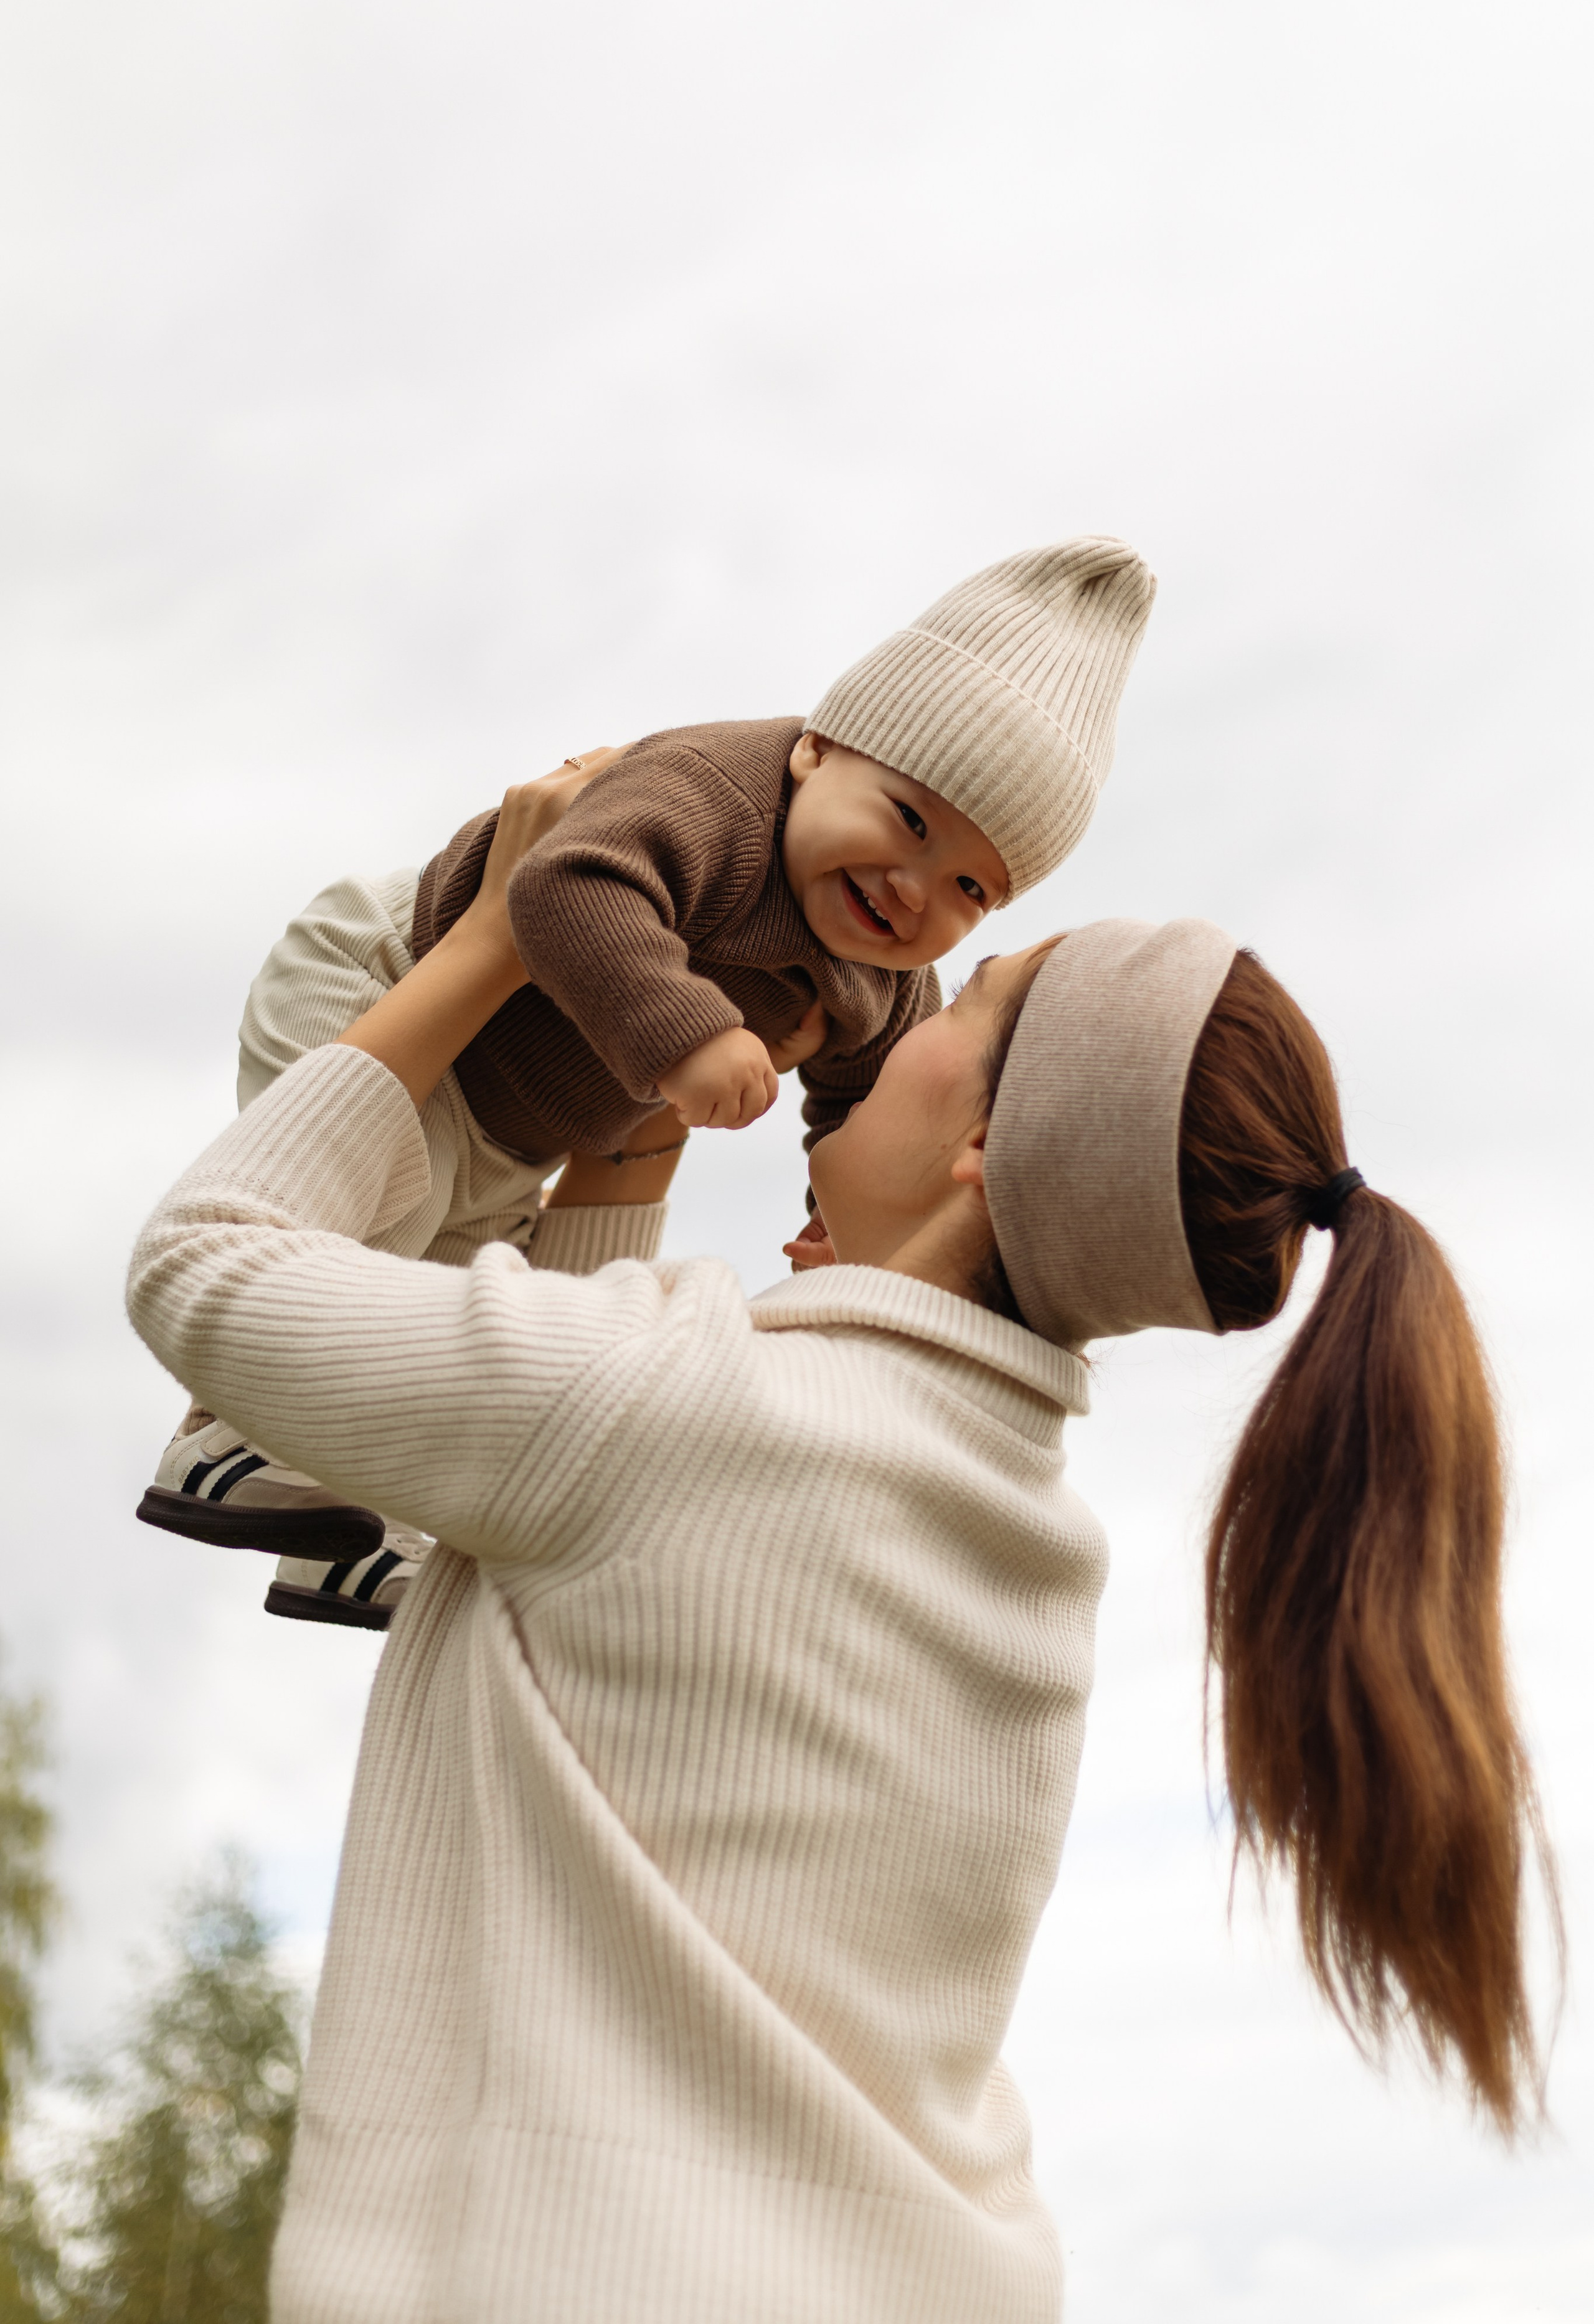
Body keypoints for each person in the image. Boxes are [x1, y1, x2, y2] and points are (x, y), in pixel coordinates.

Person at [125, 796, 1550, 2324]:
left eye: (975, 996)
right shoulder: (1019, 1545)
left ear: (986, 1141)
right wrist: (629, 1129)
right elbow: (566, 1544)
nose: (901, 1011)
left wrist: (488, 943)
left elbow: (207, 1258)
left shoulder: (672, 1409)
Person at [134, 536, 1156, 1627]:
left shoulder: (882, 984)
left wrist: (855, 1249)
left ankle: (343, 1530)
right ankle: (234, 1434)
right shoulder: (716, 794)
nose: (913, 891)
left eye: (968, 886)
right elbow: (570, 882)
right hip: (385, 980)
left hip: (515, 1133)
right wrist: (688, 1038)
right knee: (381, 1210)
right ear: (816, 751)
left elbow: (864, 1120)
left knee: (471, 1301)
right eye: (907, 820)